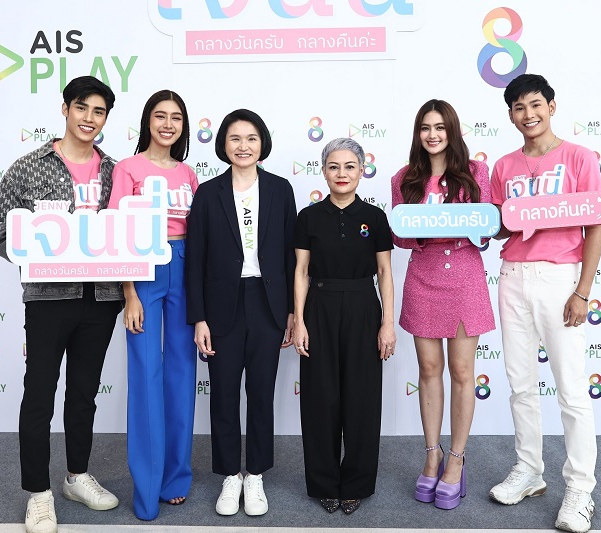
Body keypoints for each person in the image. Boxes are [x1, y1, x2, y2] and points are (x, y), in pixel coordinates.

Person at [0, 76, 122, 533]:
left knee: (84, 393)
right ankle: (39, 493)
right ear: (65, 109)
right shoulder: (29, 167)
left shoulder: (115, 172)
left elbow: (129, 233)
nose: (89, 118)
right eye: (81, 107)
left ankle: (77, 476)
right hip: (48, 299)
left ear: (106, 118)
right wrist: (35, 259)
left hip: (102, 298)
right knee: (39, 393)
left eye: (98, 111)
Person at [488, 74, 601, 533]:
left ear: (551, 107)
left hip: (560, 279)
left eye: (535, 104)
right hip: (513, 276)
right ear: (510, 115)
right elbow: (501, 225)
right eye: (519, 107)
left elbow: (596, 225)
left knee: (571, 389)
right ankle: (529, 470)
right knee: (520, 384)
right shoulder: (503, 166)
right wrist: (474, 219)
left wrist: (583, 291)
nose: (528, 114)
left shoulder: (579, 158)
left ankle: (580, 489)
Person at [185, 109, 297, 517]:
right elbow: (195, 260)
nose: (243, 146)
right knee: (224, 393)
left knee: (262, 393)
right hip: (221, 308)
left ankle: (256, 474)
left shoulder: (281, 189)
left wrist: (291, 312)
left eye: (251, 138)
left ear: (262, 143)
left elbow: (290, 255)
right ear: (223, 145)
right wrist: (199, 317)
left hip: (268, 304)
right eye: (235, 138)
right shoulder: (208, 193)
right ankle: (230, 475)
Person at [390, 100, 495, 510]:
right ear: (417, 134)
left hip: (465, 279)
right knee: (429, 369)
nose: (432, 135)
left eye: (440, 127)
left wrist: (463, 227)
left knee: (463, 372)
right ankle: (432, 454)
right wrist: (430, 229)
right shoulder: (404, 178)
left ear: (452, 130)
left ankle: (456, 458)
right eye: (425, 128)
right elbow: (401, 236)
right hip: (423, 278)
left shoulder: (477, 172)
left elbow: (485, 230)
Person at [107, 90, 198, 520]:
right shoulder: (127, 168)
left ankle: (175, 478)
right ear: (147, 121)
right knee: (146, 374)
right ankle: (146, 487)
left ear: (183, 126)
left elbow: (199, 230)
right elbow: (118, 231)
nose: (167, 124)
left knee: (182, 372)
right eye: (160, 116)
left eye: (176, 117)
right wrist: (129, 293)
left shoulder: (188, 173)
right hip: (143, 268)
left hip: (184, 265)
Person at [293, 137, 395, 515]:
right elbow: (301, 271)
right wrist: (299, 321)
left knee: (362, 399)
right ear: (323, 171)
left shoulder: (375, 217)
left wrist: (387, 323)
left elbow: (384, 273)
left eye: (350, 166)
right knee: (320, 399)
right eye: (333, 166)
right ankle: (323, 482)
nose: (342, 173)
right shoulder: (308, 217)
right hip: (318, 307)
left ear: (362, 170)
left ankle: (356, 483)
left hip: (363, 307)